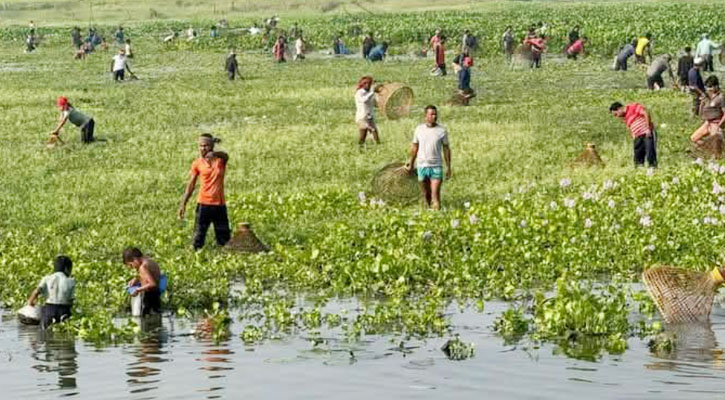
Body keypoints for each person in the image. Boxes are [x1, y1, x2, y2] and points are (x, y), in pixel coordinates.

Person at [178, 134, 231, 250]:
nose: (203, 148)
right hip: (203, 203)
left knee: (224, 236)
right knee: (199, 235)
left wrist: (215, 154)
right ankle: (195, 255)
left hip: (219, 204)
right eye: (201, 146)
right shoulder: (197, 163)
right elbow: (191, 185)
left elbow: (226, 155)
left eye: (206, 146)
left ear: (212, 146)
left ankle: (226, 257)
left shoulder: (220, 161)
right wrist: (183, 203)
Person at [405, 105, 451, 210]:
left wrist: (448, 167)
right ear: (426, 116)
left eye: (435, 114)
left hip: (436, 166)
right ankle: (427, 215)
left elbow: (446, 149)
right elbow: (414, 148)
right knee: (426, 196)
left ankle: (437, 215)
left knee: (435, 196)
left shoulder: (442, 131)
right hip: (422, 166)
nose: (434, 116)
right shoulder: (419, 130)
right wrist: (411, 163)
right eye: (432, 114)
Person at [27, 256, 75, 329]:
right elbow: (71, 300)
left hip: (49, 310)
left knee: (44, 332)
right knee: (63, 331)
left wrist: (30, 302)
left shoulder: (47, 278)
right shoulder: (71, 281)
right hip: (64, 310)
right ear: (66, 269)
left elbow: (36, 292)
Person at [609, 101, 657, 167]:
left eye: (616, 114)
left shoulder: (633, 107)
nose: (617, 117)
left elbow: (645, 113)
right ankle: (639, 169)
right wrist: (633, 135)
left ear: (619, 109)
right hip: (637, 136)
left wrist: (648, 128)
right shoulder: (625, 117)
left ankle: (652, 168)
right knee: (638, 155)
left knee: (650, 151)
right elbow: (630, 126)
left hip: (646, 133)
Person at [123, 248, 162, 316]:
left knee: (143, 319)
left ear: (135, 259)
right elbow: (150, 275)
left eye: (131, 265)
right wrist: (137, 279)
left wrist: (137, 290)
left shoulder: (142, 267)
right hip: (156, 295)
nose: (133, 268)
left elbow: (152, 283)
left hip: (147, 297)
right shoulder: (151, 262)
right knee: (155, 316)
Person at [691, 75, 725, 148]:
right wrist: (702, 104)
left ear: (716, 86)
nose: (709, 89)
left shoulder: (720, 98)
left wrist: (719, 125)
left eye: (710, 87)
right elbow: (701, 113)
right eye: (707, 87)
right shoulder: (707, 97)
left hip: (715, 123)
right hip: (707, 123)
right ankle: (707, 147)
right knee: (694, 138)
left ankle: (716, 153)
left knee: (715, 142)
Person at [354, 76, 380, 145]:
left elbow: (376, 104)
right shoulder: (360, 92)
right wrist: (372, 92)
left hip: (370, 116)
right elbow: (364, 100)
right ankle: (360, 147)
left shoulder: (370, 93)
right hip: (362, 117)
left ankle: (378, 146)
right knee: (364, 134)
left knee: (375, 132)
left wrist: (377, 95)